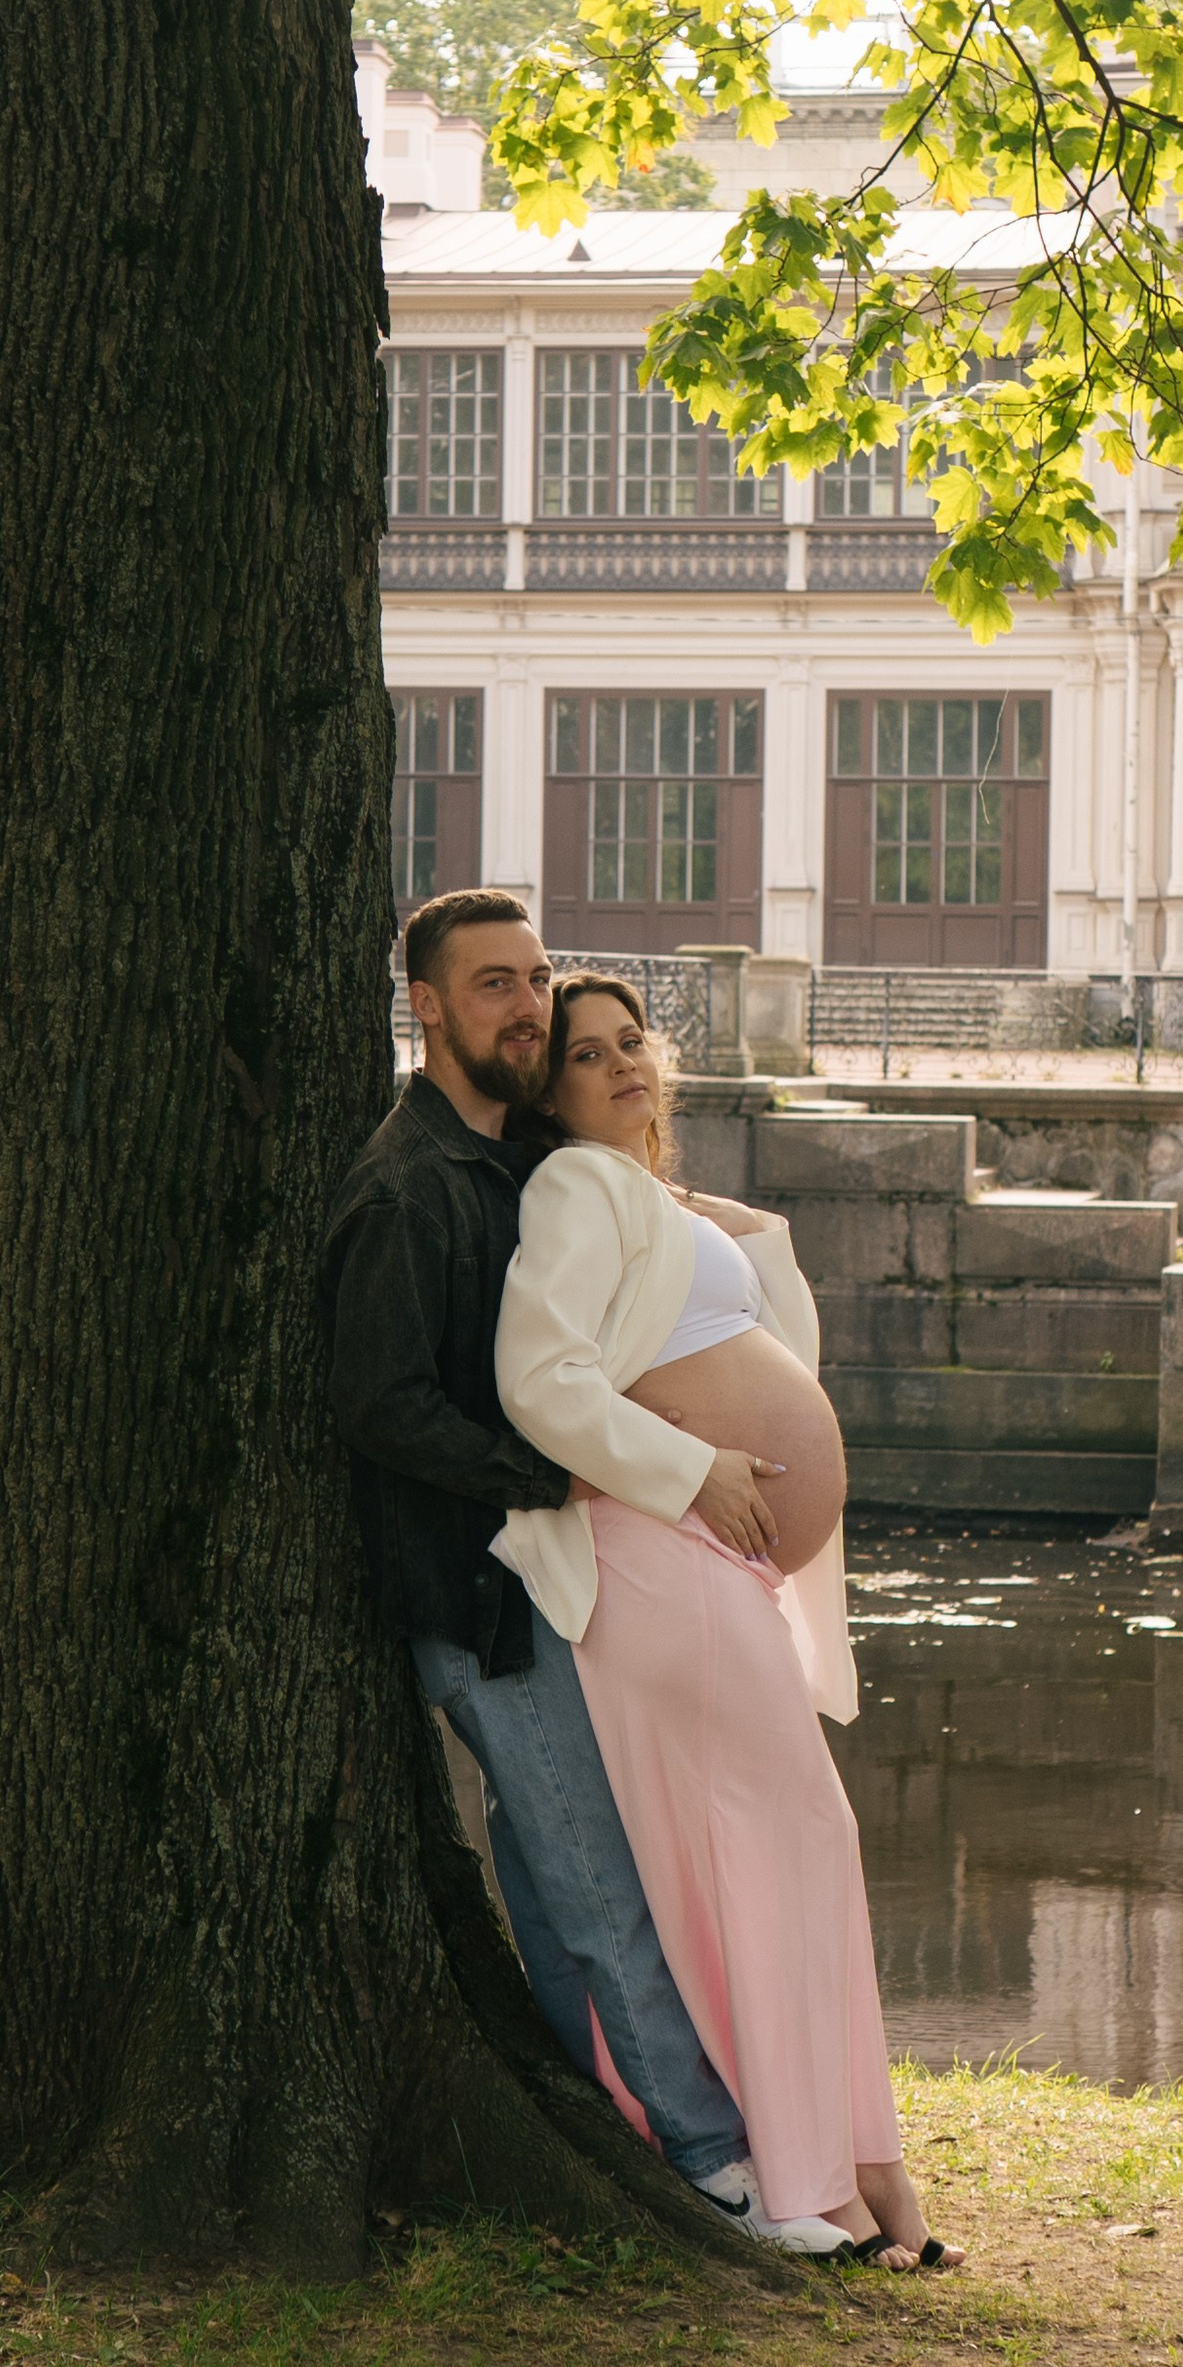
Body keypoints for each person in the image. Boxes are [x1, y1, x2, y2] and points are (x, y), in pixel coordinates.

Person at [321, 890, 829, 2248]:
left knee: (554, 1890)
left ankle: (599, 2120)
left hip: (532, 1581)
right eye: (493, 984)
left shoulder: (509, 1160)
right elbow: (378, 1404)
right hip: (473, 1597)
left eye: (536, 979)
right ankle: (717, 2167)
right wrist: (575, 1470)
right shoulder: (410, 1184)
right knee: (596, 1882)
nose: (527, 1007)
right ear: (424, 1006)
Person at [493, 973, 958, 2271]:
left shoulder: (654, 1204)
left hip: (713, 1565)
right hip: (659, 1555)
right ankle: (799, 2176)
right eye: (587, 1055)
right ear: (552, 1091)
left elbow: (771, 1348)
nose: (622, 1064)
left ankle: (868, 2181)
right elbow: (541, 1380)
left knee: (781, 1841)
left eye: (634, 1042)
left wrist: (731, 1229)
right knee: (775, 1839)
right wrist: (692, 1469)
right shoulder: (576, 1190)